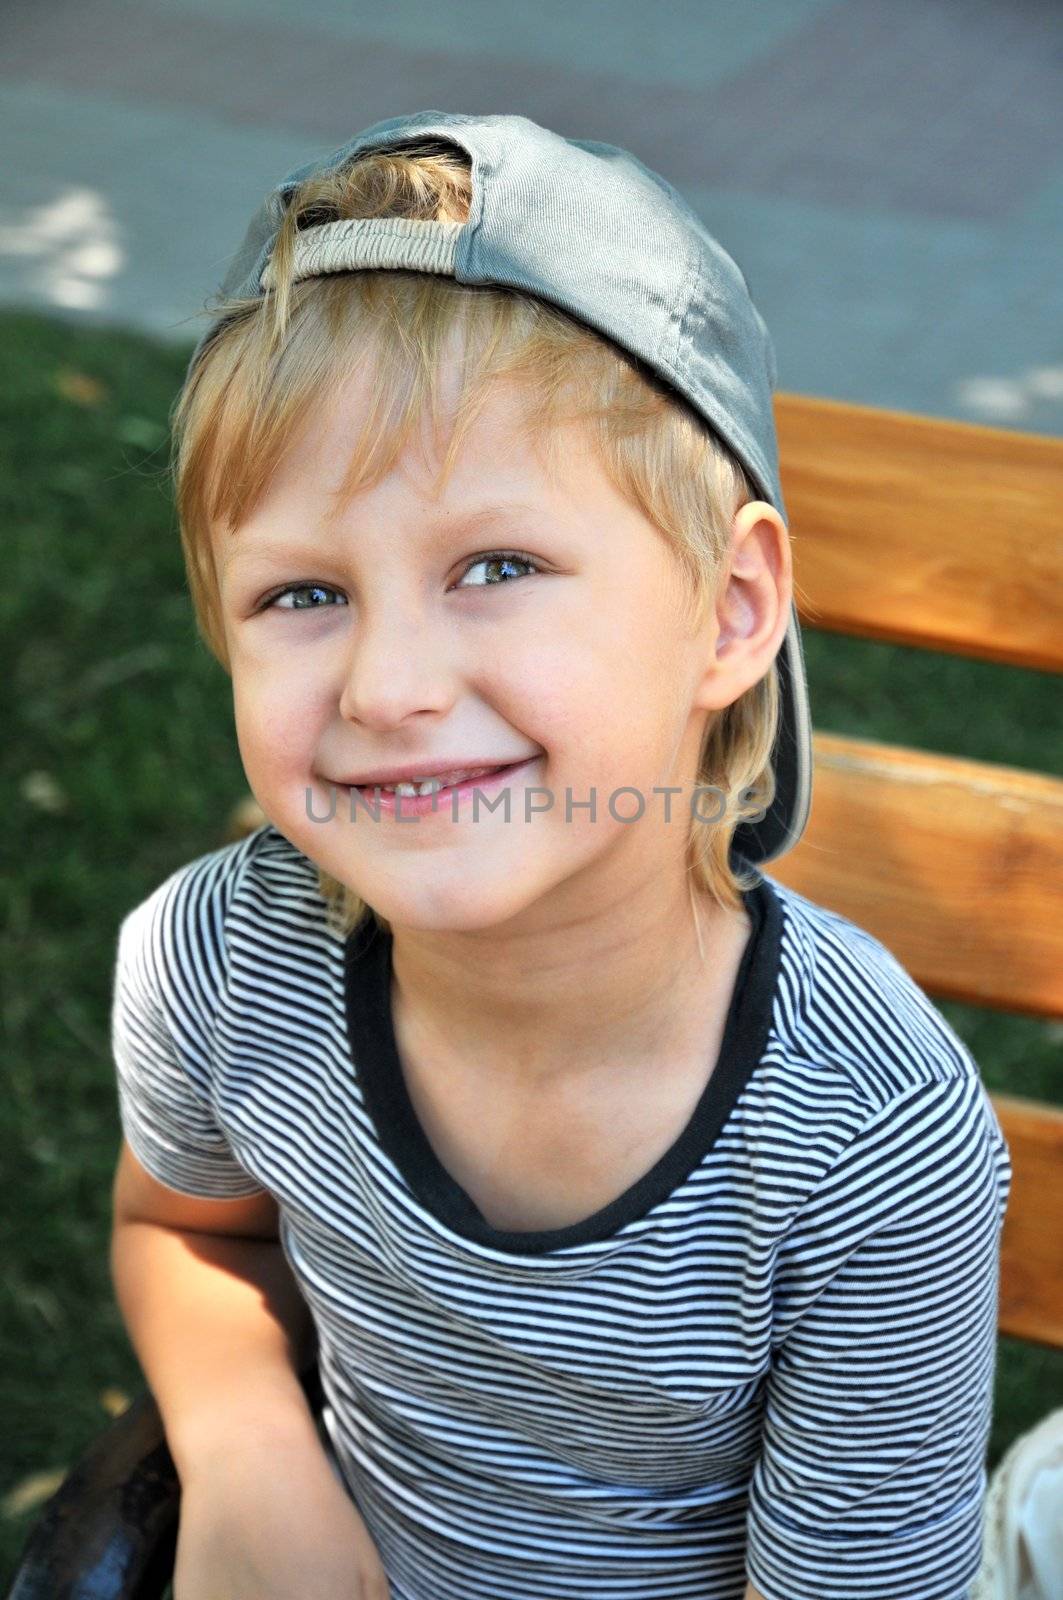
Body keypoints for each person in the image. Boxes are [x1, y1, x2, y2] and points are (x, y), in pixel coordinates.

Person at [107, 112, 1012, 1600]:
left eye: (499, 567)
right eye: (302, 594)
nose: (387, 685)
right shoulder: (224, 966)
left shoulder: (867, 1145)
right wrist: (251, 1447)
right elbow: (180, 1228)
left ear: (727, 613)